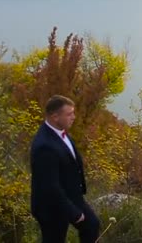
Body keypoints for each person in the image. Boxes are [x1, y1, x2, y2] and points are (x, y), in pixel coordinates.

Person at [30, 95, 100, 242]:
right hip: (50, 205)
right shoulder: (45, 146)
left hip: (70, 196)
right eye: (69, 114)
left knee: (92, 225)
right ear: (55, 116)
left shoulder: (59, 131)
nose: (74, 117)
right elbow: (50, 186)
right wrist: (73, 212)